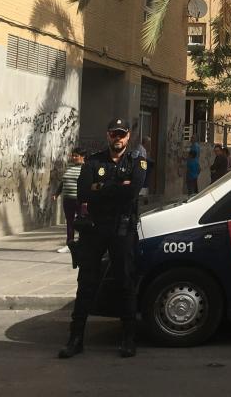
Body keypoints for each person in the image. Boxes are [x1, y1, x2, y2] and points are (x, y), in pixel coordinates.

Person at [59, 118, 147, 359]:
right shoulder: (94, 161)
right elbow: (84, 192)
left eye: (121, 134)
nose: (117, 138)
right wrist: (117, 185)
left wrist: (102, 187)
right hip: (95, 230)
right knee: (86, 283)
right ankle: (75, 338)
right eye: (113, 134)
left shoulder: (136, 161)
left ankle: (128, 339)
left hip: (122, 229)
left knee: (125, 282)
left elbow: (132, 192)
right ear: (108, 135)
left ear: (128, 136)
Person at [53, 148, 86, 253]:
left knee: (82, 223)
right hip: (67, 199)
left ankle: (83, 244)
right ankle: (69, 244)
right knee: (70, 223)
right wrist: (57, 193)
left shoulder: (86, 168)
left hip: (80, 200)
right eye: (73, 156)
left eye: (76, 156)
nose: (74, 158)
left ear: (82, 156)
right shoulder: (69, 166)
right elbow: (63, 181)